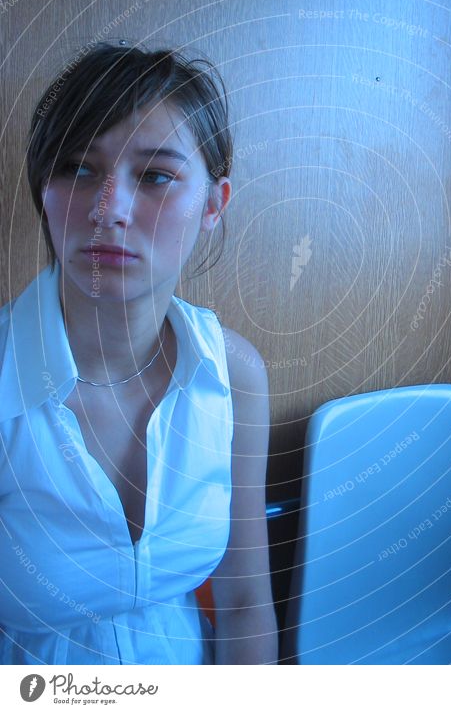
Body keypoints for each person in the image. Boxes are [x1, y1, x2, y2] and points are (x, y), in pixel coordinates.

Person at [0, 42, 278, 665]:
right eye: (77, 168)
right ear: (45, 192)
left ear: (213, 204)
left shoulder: (234, 375)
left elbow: (243, 604)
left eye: (154, 175)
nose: (108, 211)